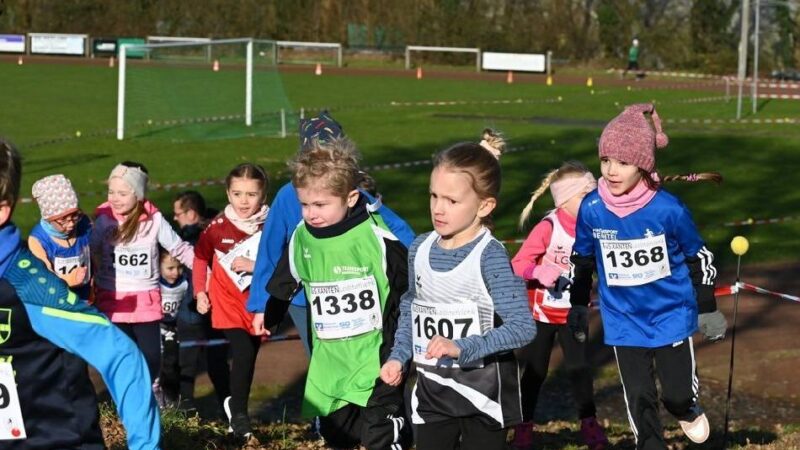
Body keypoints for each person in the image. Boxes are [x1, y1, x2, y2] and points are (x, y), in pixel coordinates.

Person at [569, 103, 728, 449]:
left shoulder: (669, 209)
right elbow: (582, 258)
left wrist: (707, 308)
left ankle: (686, 409)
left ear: (643, 165)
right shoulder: (592, 208)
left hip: (671, 315)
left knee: (676, 394)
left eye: (622, 163)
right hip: (623, 320)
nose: (611, 171)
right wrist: (578, 304)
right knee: (640, 397)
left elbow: (699, 257)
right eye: (605, 160)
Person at [0, 138, 161, 449]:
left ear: (2, 210)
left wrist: (145, 446)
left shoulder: (30, 288)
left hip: (57, 439)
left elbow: (122, 357)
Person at [380, 136, 537, 450]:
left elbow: (522, 327)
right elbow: (411, 307)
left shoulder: (489, 256)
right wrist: (398, 356)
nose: (438, 209)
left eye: (451, 201)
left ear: (484, 206)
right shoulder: (420, 248)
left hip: (483, 396)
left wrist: (461, 347)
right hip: (432, 393)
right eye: (434, 196)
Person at [263, 132, 412, 450]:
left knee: (379, 433)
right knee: (337, 433)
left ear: (351, 198)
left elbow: (406, 280)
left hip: (377, 354)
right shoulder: (303, 235)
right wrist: (273, 307)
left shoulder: (375, 235)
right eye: (304, 204)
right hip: (330, 359)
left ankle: (395, 432)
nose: (311, 213)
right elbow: (288, 273)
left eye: (320, 204)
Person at [248, 111, 415, 356]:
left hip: (353, 288)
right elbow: (270, 250)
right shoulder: (287, 195)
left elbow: (396, 230)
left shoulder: (351, 193)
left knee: (361, 351)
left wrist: (422, 265)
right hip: (304, 298)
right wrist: (262, 304)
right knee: (321, 355)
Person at [509, 161, 608, 450]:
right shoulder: (548, 227)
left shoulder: (595, 226)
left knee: (579, 368)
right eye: (585, 195)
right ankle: (523, 427)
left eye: (594, 194)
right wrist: (538, 272)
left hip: (574, 313)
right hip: (541, 313)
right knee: (535, 372)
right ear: (564, 200)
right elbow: (517, 263)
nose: (593, 200)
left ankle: (589, 424)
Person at [91, 161, 194, 386]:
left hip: (145, 304)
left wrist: (206, 269)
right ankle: (125, 402)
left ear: (138, 195)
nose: (115, 198)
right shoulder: (103, 220)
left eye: (122, 193)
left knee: (151, 359)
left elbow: (180, 249)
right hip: (114, 303)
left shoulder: (154, 220)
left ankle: (148, 393)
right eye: (111, 192)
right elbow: (89, 250)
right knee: (122, 359)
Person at [193, 163, 269, 441]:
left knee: (248, 358)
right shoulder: (217, 228)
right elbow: (200, 257)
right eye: (237, 194)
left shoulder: (271, 225)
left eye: (251, 194)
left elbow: (283, 260)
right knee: (243, 352)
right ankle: (239, 416)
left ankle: (235, 410)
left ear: (263, 195)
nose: (244, 201)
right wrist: (200, 292)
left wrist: (254, 265)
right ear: (228, 194)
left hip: (257, 303)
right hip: (225, 301)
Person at [172, 190, 231, 413]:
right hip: (216, 310)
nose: (174, 218)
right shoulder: (217, 231)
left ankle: (186, 414)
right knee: (218, 365)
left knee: (187, 367)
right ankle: (230, 413)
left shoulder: (188, 240)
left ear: (191, 214)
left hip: (192, 313)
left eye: (178, 213)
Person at [28, 174, 92, 300]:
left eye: (74, 215)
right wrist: (70, 279)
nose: (71, 224)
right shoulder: (38, 240)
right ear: (49, 219)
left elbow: (96, 254)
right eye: (63, 220)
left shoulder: (85, 223)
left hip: (87, 300)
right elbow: (44, 278)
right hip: (57, 301)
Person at [156, 250, 188, 408]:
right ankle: (157, 398)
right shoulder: (155, 283)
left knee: (171, 363)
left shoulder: (185, 283)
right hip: (155, 328)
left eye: (179, 267)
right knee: (156, 364)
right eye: (170, 268)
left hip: (172, 329)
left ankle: (172, 399)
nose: (176, 272)